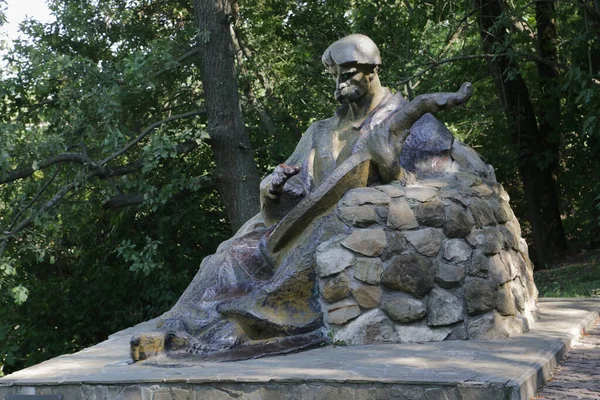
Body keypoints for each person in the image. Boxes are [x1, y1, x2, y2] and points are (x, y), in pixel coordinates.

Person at [130, 34, 478, 362]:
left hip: (348, 225)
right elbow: (297, 188)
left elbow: (447, 183)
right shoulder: (320, 131)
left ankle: (243, 326)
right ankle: (177, 329)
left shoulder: (413, 122)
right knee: (229, 254)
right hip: (293, 226)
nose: (339, 82)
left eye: (349, 74)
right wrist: (273, 189)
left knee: (319, 236)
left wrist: (393, 171)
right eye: (334, 75)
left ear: (373, 71)